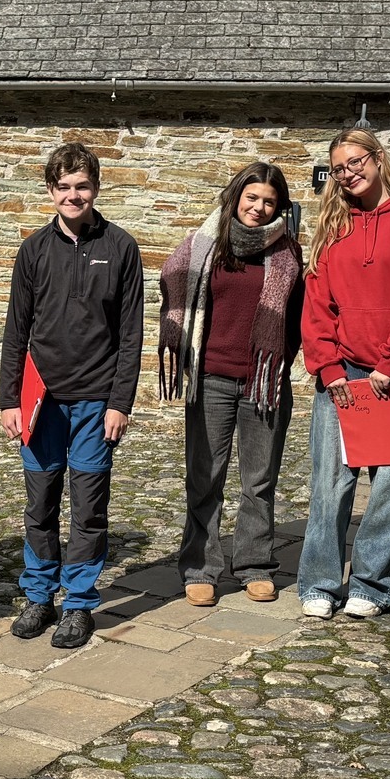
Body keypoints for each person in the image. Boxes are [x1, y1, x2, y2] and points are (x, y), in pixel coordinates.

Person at [0, 141, 146, 648]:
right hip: (41, 403)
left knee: (87, 508)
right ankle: (39, 596)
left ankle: (78, 603)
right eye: (63, 187)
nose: (73, 195)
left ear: (96, 188)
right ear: (50, 190)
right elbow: (16, 331)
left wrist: (120, 403)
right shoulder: (33, 250)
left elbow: (131, 334)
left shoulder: (121, 247)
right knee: (40, 504)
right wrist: (8, 400)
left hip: (95, 402)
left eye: (82, 186)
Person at [297, 130, 390, 619]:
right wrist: (329, 367)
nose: (348, 173)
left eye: (355, 162)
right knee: (330, 486)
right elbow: (317, 306)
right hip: (342, 377)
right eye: (339, 168)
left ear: (379, 159)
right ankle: (319, 583)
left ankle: (373, 583)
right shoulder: (332, 227)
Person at [157, 160, 303, 607]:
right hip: (211, 380)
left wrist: (276, 362)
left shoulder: (288, 253)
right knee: (205, 478)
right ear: (236, 196)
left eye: (269, 202)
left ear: (279, 207)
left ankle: (255, 565)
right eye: (251, 197)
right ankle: (200, 568)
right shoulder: (205, 244)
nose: (258, 208)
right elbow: (171, 279)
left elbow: (297, 319)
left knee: (259, 481)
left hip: (264, 382)